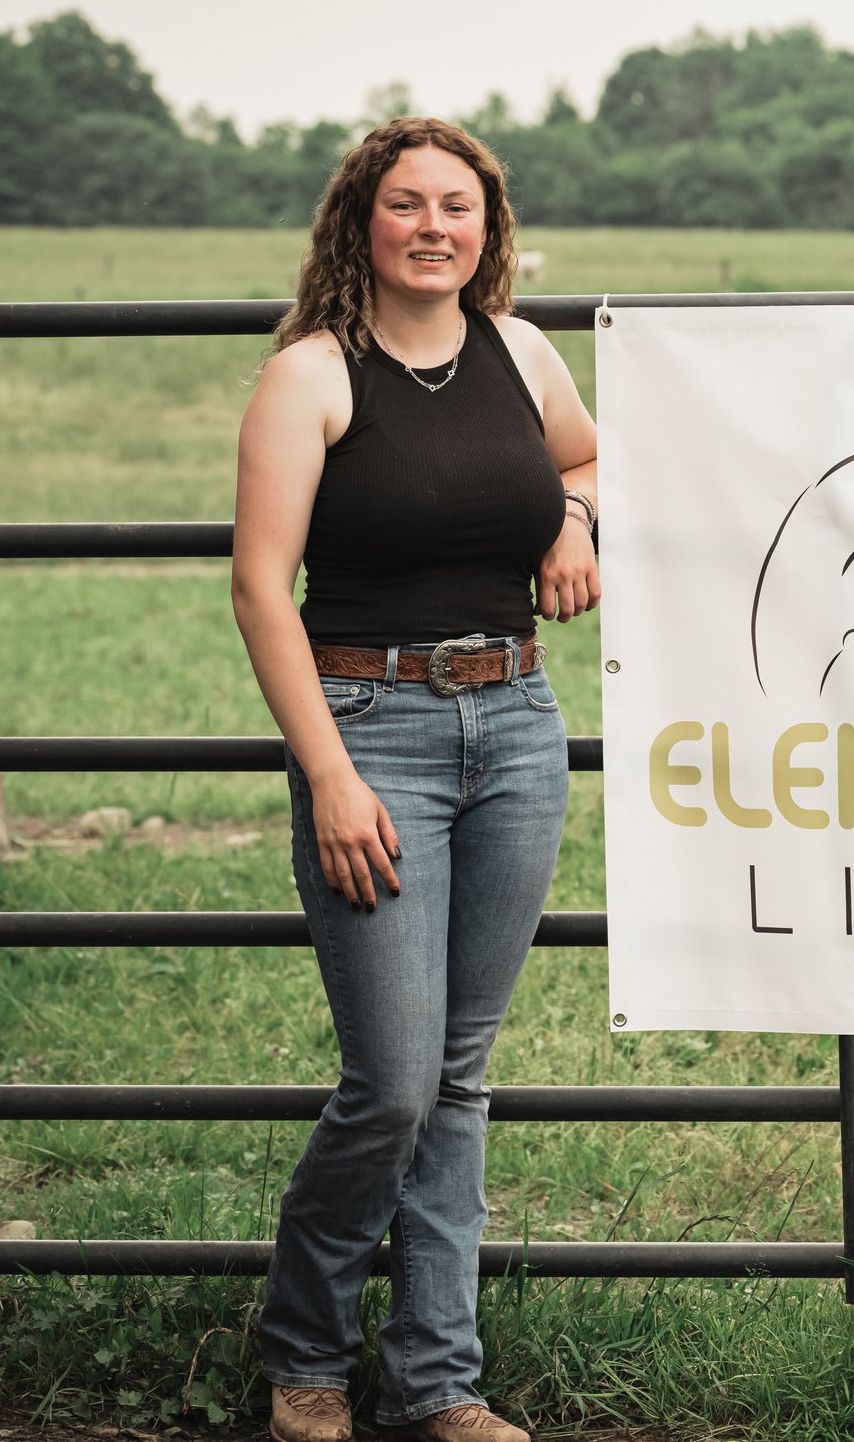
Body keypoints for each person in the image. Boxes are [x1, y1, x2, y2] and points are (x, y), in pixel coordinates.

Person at [232, 117, 599, 1442]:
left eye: (461, 205)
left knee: (458, 1071)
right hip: (369, 724)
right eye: (408, 205)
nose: (436, 226)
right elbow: (261, 591)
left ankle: (439, 1381)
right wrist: (327, 774)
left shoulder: (523, 351)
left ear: (488, 229)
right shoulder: (314, 378)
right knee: (391, 1081)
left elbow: (588, 456)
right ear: (361, 223)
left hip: (514, 725)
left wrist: (574, 516)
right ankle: (306, 1355)